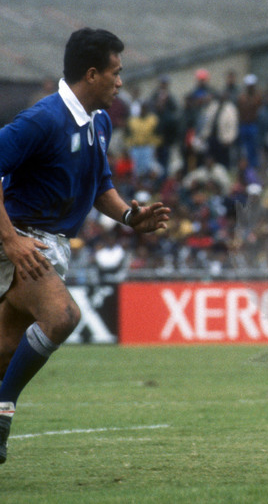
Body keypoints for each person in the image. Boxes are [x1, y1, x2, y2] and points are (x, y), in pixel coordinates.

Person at [0, 28, 170, 464]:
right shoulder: (43, 119)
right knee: (63, 316)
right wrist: (12, 241)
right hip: (22, 242)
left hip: (48, 246)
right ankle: (3, 409)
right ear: (91, 74)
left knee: (2, 354)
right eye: (115, 72)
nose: (120, 81)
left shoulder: (100, 121)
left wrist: (132, 217)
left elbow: (99, 187)